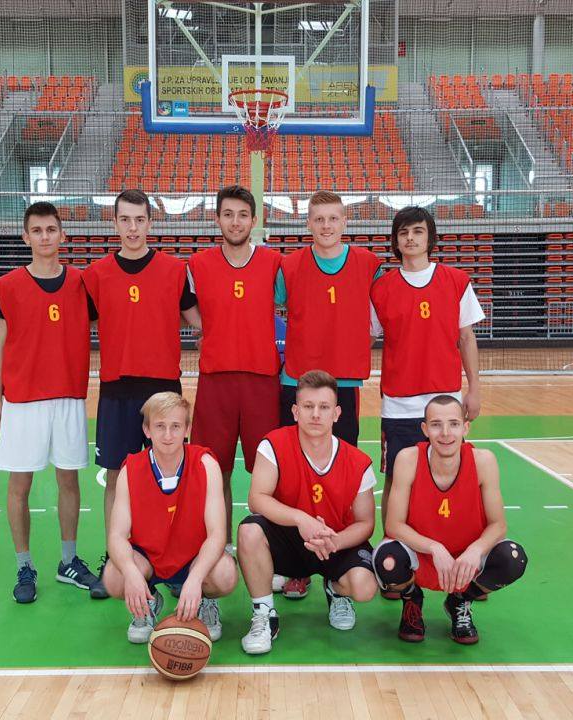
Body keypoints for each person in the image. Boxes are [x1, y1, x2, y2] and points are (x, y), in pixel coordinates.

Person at [83, 188, 200, 598]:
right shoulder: (96, 275)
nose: (132, 228)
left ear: (151, 222)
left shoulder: (174, 270)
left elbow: (199, 319)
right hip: (117, 388)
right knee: (117, 477)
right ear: (114, 223)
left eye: (139, 220)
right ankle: (116, 560)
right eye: (125, 220)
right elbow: (81, 323)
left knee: (173, 476)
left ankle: (176, 560)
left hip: (162, 389)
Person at [0, 201, 102, 604]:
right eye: (36, 230)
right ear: (26, 237)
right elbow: (1, 343)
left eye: (51, 229)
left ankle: (68, 561)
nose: (44, 237)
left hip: (68, 395)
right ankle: (24, 565)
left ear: (62, 235)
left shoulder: (83, 284)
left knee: (69, 480)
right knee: (20, 484)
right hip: (23, 400)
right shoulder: (7, 286)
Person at [273, 190, 382, 599]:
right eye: (318, 219)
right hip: (298, 382)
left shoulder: (368, 265)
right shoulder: (289, 266)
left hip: (345, 384)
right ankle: (297, 565)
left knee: (342, 481)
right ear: (308, 224)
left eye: (333, 218)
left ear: (344, 222)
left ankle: (339, 565)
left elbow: (388, 311)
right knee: (293, 479)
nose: (326, 226)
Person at [236, 370, 378, 655]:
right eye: (308, 406)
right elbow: (257, 499)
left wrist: (336, 541)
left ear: (336, 413)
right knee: (249, 530)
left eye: (324, 407)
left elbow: (366, 523)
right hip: (289, 539)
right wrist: (301, 519)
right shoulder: (273, 444)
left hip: (333, 541)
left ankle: (335, 589)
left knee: (364, 587)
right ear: (295, 411)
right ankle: (264, 613)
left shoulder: (358, 461)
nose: (315, 414)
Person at [373, 396, 527, 645]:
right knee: (387, 561)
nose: (445, 433)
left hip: (465, 558)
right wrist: (434, 547)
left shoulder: (483, 461)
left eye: (454, 424)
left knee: (513, 558)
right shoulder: (408, 459)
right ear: (425, 429)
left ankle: (460, 601)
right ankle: (412, 600)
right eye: (436, 424)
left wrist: (475, 550)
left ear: (465, 428)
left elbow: (498, 524)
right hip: (423, 555)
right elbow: (393, 525)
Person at [370, 206, 484, 524]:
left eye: (418, 231)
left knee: (449, 478)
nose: (410, 238)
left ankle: (448, 537)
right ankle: (391, 546)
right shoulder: (381, 288)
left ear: (430, 238)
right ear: (395, 240)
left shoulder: (456, 281)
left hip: (445, 401)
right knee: (396, 478)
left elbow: (466, 337)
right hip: (398, 404)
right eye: (403, 232)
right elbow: (366, 338)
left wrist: (474, 390)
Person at [102, 392, 238, 643]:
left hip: (193, 558)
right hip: (149, 558)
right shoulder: (131, 469)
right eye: (160, 426)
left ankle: (205, 601)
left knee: (225, 573)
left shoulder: (205, 464)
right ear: (147, 430)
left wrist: (196, 578)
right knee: (113, 577)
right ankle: (147, 602)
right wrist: (131, 573)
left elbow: (217, 534)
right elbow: (117, 535)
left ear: (187, 429)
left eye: (175, 426)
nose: (167, 435)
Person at [188, 185, 282, 543]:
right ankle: (221, 547)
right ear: (217, 219)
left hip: (262, 381)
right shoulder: (198, 264)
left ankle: (269, 548)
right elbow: (182, 305)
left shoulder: (274, 263)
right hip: (216, 381)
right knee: (215, 471)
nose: (235, 221)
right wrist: (208, 328)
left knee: (268, 473)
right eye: (228, 214)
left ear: (254, 220)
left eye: (243, 215)